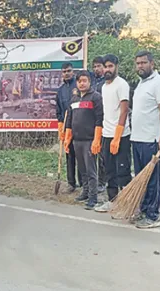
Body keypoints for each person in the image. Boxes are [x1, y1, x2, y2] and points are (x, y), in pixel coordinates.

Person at [129, 51, 160, 229]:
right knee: (141, 178)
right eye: (138, 63)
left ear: (152, 63)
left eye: (144, 63)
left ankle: (152, 215)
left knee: (153, 179)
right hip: (137, 138)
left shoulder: (159, 83)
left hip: (151, 140)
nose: (140, 66)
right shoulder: (141, 83)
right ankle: (144, 209)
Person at [94, 54, 132, 213]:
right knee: (110, 170)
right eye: (105, 67)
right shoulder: (103, 86)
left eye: (111, 66)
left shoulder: (121, 84)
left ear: (116, 67)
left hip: (121, 135)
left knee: (122, 170)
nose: (108, 69)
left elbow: (124, 111)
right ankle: (112, 200)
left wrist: (117, 137)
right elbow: (106, 112)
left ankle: (128, 202)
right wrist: (100, 136)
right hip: (107, 134)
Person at [64, 70, 103, 210]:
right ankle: (85, 192)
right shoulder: (74, 100)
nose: (82, 83)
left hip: (89, 140)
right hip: (76, 140)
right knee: (82, 170)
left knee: (91, 170)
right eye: (79, 81)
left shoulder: (96, 97)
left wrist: (96, 140)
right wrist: (67, 138)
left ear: (89, 82)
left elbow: (99, 119)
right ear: (77, 83)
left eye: (84, 81)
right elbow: (69, 120)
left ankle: (93, 197)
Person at [56, 62, 82, 193]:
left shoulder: (78, 87)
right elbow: (58, 110)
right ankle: (71, 183)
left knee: (81, 156)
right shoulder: (60, 90)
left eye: (69, 71)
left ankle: (83, 183)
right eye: (64, 71)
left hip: (79, 126)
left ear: (73, 72)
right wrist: (61, 128)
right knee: (69, 155)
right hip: (66, 128)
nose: (66, 73)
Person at [91, 56, 107, 193]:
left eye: (99, 66)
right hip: (91, 121)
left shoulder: (107, 82)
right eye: (95, 66)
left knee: (102, 154)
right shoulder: (91, 82)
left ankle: (102, 181)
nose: (97, 69)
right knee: (92, 152)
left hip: (104, 121)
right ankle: (92, 180)